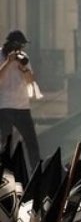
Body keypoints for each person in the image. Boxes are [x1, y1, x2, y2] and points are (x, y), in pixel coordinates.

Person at [0, 30, 40, 168]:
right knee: (5, 146)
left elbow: (31, 81)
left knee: (32, 143)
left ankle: (36, 174)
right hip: (5, 107)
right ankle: (5, 176)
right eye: (20, 47)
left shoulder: (24, 58)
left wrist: (23, 68)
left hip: (23, 107)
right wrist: (8, 62)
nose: (21, 50)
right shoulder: (0, 55)